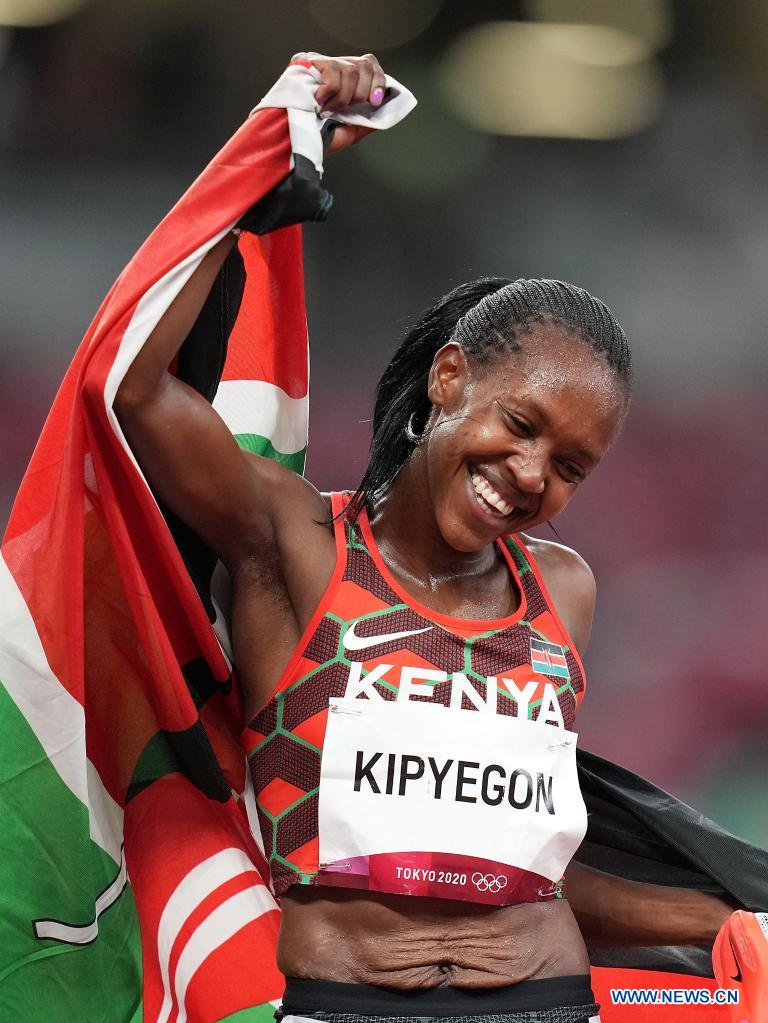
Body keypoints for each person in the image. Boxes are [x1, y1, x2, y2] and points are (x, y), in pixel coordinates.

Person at [114, 52, 736, 1023]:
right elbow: (139, 389)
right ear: (449, 379)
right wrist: (264, 157)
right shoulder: (296, 544)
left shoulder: (562, 591)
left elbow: (525, 870)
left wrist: (721, 922)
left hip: (545, 1000)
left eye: (571, 466)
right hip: (343, 1001)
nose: (530, 474)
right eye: (521, 426)